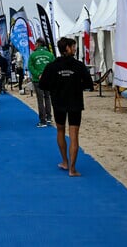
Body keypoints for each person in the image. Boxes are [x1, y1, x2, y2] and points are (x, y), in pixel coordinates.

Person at [38, 37, 94, 177]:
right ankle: (72, 169)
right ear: (67, 48)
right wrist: (76, 85)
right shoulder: (79, 66)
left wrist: (56, 87)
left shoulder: (52, 66)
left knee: (61, 131)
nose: (75, 49)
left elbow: (43, 85)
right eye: (73, 46)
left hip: (59, 103)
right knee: (73, 134)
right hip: (74, 102)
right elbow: (89, 84)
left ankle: (65, 162)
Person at [28, 38, 55, 127]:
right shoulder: (50, 55)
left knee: (40, 100)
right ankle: (49, 117)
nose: (34, 45)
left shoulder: (33, 55)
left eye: (35, 43)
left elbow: (30, 67)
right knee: (47, 97)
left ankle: (42, 120)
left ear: (38, 44)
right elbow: (54, 66)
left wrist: (38, 74)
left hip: (37, 80)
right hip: (49, 80)